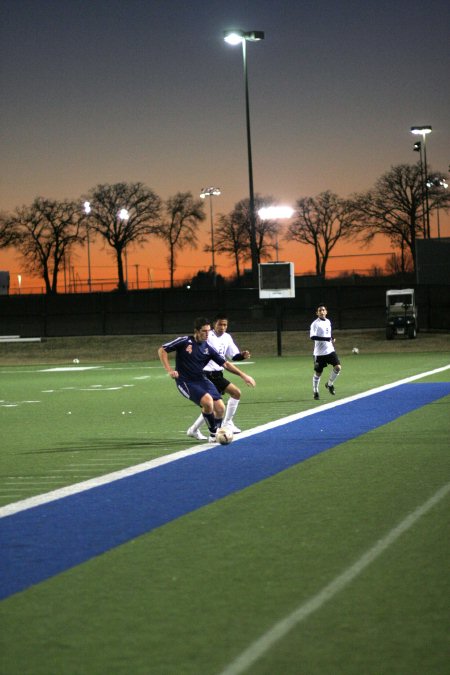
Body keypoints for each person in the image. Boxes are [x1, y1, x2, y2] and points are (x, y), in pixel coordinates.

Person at [158, 317, 256, 442]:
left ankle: (211, 434)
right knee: (208, 401)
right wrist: (170, 370)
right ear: (197, 331)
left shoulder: (207, 348)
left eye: (209, 331)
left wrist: (243, 375)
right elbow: (162, 350)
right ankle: (215, 434)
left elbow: (225, 364)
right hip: (185, 381)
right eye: (204, 331)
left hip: (201, 379)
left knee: (220, 408)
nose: (207, 334)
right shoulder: (185, 341)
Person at [186, 313, 252, 440]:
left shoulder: (227, 337)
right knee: (214, 406)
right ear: (214, 325)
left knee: (235, 394)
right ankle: (210, 430)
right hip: (206, 374)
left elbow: (233, 356)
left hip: (218, 374)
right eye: (220, 324)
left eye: (225, 325)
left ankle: (202, 428)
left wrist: (242, 355)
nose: (222, 327)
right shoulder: (207, 336)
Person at [310, 304, 342, 400]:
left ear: (326, 312)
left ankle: (329, 384)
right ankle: (315, 391)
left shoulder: (328, 321)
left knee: (338, 367)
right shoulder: (315, 324)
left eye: (323, 310)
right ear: (317, 313)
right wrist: (327, 338)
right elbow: (312, 337)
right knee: (318, 373)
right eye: (319, 310)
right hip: (319, 354)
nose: (321, 311)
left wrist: (331, 338)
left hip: (330, 350)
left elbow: (328, 334)